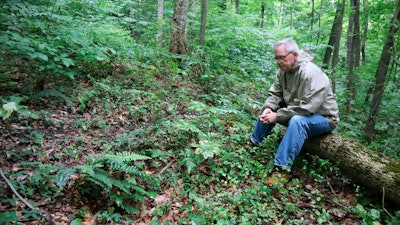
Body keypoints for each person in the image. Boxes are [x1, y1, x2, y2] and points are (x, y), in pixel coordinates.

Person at [250, 38, 339, 186]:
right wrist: (269, 109)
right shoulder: (283, 72)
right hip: (297, 112)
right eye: (276, 58)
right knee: (270, 110)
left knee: (297, 121)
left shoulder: (310, 73)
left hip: (323, 118)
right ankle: (253, 143)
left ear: (295, 54)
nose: (279, 61)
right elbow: (275, 95)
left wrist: (277, 116)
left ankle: (282, 169)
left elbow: (308, 107)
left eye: (282, 57)